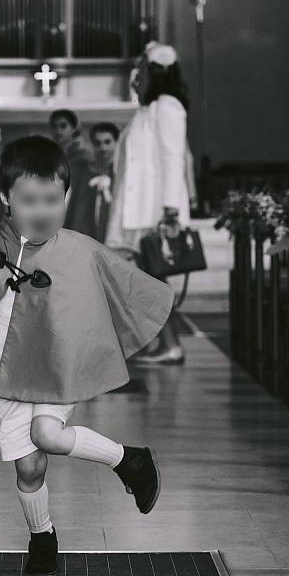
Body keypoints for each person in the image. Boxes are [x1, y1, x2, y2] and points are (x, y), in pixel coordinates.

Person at [0, 136, 171, 576]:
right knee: (30, 465)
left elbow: (121, 286)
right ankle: (42, 536)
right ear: (5, 197)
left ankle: (128, 460)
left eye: (52, 199)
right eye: (29, 200)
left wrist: (139, 320)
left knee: (47, 433)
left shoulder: (78, 250)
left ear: (67, 196)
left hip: (56, 368)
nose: (42, 211)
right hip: (6, 374)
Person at [104, 42, 195, 362]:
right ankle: (164, 342)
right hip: (138, 208)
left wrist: (170, 209)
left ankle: (170, 344)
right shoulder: (147, 109)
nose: (136, 76)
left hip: (154, 209)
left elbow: (173, 159)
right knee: (148, 279)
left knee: (153, 279)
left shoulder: (168, 106)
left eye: (142, 69)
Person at [48, 108, 98, 237]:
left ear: (74, 128)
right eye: (55, 126)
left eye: (63, 126)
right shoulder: (50, 154)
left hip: (77, 203)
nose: (58, 131)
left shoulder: (83, 155)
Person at [88, 122, 120, 240]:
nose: (103, 148)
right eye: (98, 143)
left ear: (116, 142)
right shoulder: (88, 173)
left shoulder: (123, 173)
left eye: (107, 142)